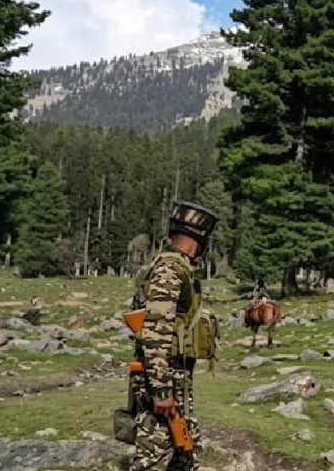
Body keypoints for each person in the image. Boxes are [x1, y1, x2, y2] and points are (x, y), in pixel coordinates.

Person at [129, 201, 218, 471]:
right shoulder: (170, 270)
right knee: (154, 457)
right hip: (165, 378)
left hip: (175, 377)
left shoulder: (177, 267)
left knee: (185, 453)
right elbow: (156, 332)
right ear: (199, 239)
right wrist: (161, 390)